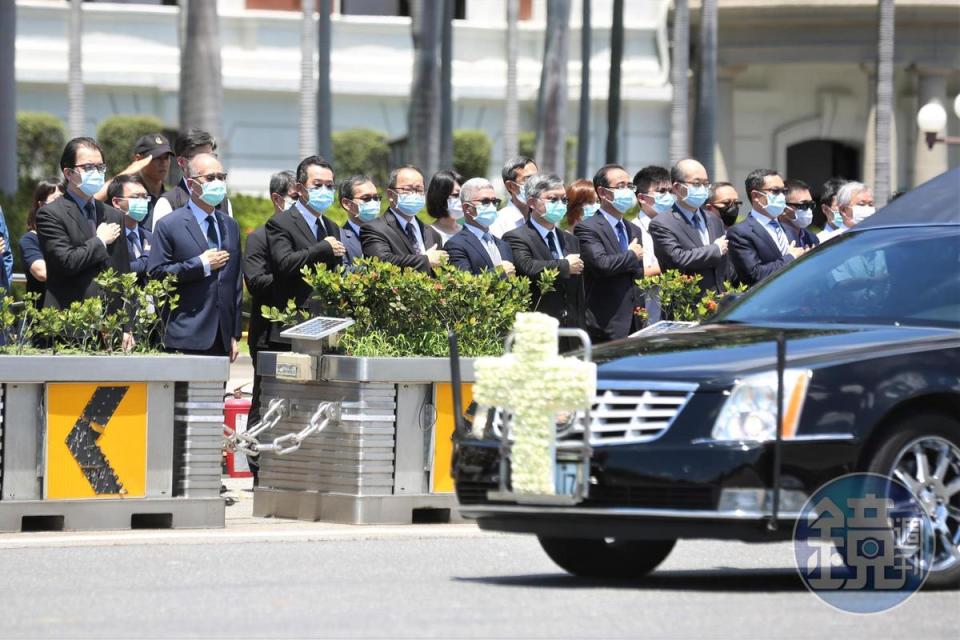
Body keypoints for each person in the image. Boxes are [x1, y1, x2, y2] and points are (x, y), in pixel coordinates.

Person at [36, 137, 133, 339]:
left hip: (109, 328)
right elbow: (66, 262)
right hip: (68, 325)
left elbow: (123, 273)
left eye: (100, 167)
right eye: (88, 167)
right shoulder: (50, 214)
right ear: (68, 173)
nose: (96, 173)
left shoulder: (113, 215)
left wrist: (126, 327)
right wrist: (99, 241)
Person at [147, 153, 242, 360]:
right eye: (209, 178)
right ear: (191, 184)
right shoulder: (169, 224)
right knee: (183, 394)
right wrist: (200, 264)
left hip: (221, 338)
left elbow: (234, 282)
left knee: (217, 393)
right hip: (185, 335)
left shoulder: (229, 225)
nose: (217, 183)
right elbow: (157, 274)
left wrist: (234, 333)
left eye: (221, 177)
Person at [503, 174, 585, 351]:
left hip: (571, 333)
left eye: (564, 199)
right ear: (532, 202)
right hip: (537, 332)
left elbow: (578, 293)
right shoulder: (516, 237)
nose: (560, 204)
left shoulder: (570, 240)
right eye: (552, 199)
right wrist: (564, 265)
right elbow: (527, 267)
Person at [265, 156, 346, 326]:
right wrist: (322, 249)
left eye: (330, 186)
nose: (324, 190)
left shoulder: (332, 226)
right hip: (296, 317)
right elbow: (284, 264)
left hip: (328, 316)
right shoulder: (281, 222)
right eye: (317, 185)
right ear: (300, 188)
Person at [244, 171, 293, 444]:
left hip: (303, 334)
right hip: (270, 335)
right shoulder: (261, 237)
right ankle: (257, 463)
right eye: (294, 197)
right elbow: (255, 282)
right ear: (277, 199)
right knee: (266, 401)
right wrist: (291, 276)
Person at [573, 164, 644, 342]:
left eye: (630, 186)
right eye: (621, 186)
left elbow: (637, 273)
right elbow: (601, 264)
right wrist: (631, 256)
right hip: (604, 323)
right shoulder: (587, 228)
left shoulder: (634, 229)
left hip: (635, 320)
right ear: (603, 193)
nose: (627, 191)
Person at [649, 158, 730, 295]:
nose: (703, 189)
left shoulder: (714, 219)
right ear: (676, 187)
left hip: (718, 303)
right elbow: (678, 259)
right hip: (686, 304)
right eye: (696, 183)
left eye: (706, 184)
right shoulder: (662, 223)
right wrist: (715, 249)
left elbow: (725, 265)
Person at [727, 169, 807, 286]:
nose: (781, 196)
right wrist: (791, 257)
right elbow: (754, 275)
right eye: (775, 191)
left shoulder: (789, 229)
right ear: (755, 196)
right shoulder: (740, 233)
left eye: (783, 191)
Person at [360, 165, 446, 272]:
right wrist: (426, 260)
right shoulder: (373, 229)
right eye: (407, 189)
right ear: (391, 194)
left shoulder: (432, 234)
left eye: (419, 190)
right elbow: (382, 262)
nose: (414, 194)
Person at [152, 128, 232, 228]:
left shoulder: (223, 202)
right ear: (182, 162)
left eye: (211, 156)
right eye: (202, 158)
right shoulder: (168, 203)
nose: (208, 162)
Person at [444, 177, 516, 276]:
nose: (491, 206)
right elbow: (464, 286)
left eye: (494, 201)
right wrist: (499, 272)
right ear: (467, 208)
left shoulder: (504, 245)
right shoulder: (455, 245)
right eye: (485, 201)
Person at [630, 166, 672, 323]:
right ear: (642, 198)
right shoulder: (633, 230)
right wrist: (677, 262)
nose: (668, 196)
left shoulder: (678, 226)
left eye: (670, 191)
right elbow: (638, 273)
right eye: (661, 192)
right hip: (646, 315)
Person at [20, 180, 61, 308]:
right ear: (41, 205)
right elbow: (42, 273)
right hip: (42, 318)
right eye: (56, 200)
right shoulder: (30, 240)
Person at [106, 174, 153, 285]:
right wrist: (147, 256)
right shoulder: (109, 236)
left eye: (145, 197)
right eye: (136, 197)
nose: (142, 201)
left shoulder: (150, 236)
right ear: (117, 202)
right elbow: (123, 271)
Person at [489, 156, 538, 238]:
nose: (536, 183)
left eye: (536, 178)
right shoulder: (498, 222)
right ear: (511, 186)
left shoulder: (542, 217)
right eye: (528, 179)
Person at [338, 174, 380, 263]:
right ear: (347, 203)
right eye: (366, 198)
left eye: (376, 198)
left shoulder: (389, 232)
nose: (373, 202)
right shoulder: (340, 241)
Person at [781, 179, 820, 250]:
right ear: (784, 207)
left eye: (811, 205)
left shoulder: (812, 238)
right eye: (804, 205)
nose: (808, 210)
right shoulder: (776, 238)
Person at [426, 170, 463, 243]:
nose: (462, 200)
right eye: (455, 195)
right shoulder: (427, 235)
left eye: (463, 195)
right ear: (440, 197)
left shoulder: (467, 232)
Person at [816, 178, 847, 243]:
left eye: (847, 205)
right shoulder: (818, 242)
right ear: (825, 209)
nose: (844, 211)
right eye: (839, 206)